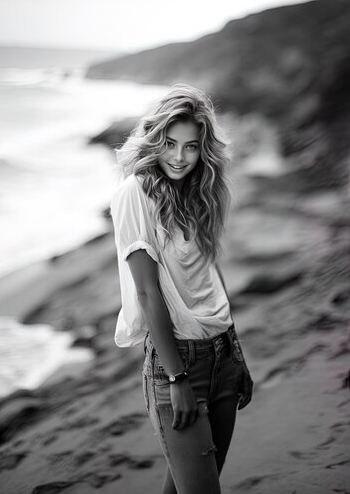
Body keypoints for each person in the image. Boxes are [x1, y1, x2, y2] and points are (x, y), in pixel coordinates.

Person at [110, 83, 253, 494]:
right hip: (178, 361)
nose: (179, 157)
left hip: (223, 353)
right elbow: (146, 293)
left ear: (203, 149)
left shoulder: (197, 192)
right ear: (155, 140)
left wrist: (237, 353)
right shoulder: (134, 193)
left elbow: (210, 274)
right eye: (170, 144)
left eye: (191, 147)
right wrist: (176, 379)